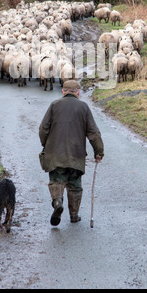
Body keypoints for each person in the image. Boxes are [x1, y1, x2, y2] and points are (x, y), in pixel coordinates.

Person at [39, 80, 104, 226]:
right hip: (76, 154)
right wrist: (98, 151)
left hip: (55, 154)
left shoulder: (54, 105)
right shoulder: (83, 107)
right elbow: (93, 132)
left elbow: (43, 128)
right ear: (78, 92)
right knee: (75, 185)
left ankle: (57, 202)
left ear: (63, 91)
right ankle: (74, 215)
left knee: (56, 180)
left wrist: (46, 144)